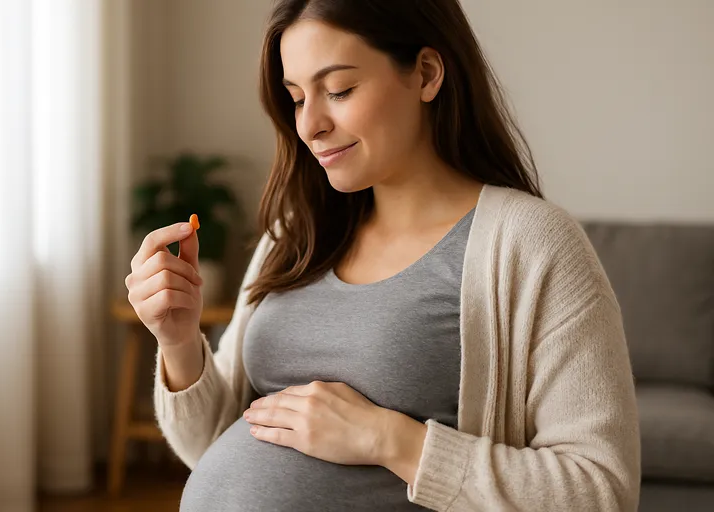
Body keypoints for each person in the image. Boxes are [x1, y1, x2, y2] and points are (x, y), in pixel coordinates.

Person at [124, 0, 640, 510]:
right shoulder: (294, 235)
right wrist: (179, 342)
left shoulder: (532, 242)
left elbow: (601, 489)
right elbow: (209, 444)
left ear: (427, 73)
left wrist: (390, 440)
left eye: (339, 90)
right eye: (299, 98)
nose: (310, 126)